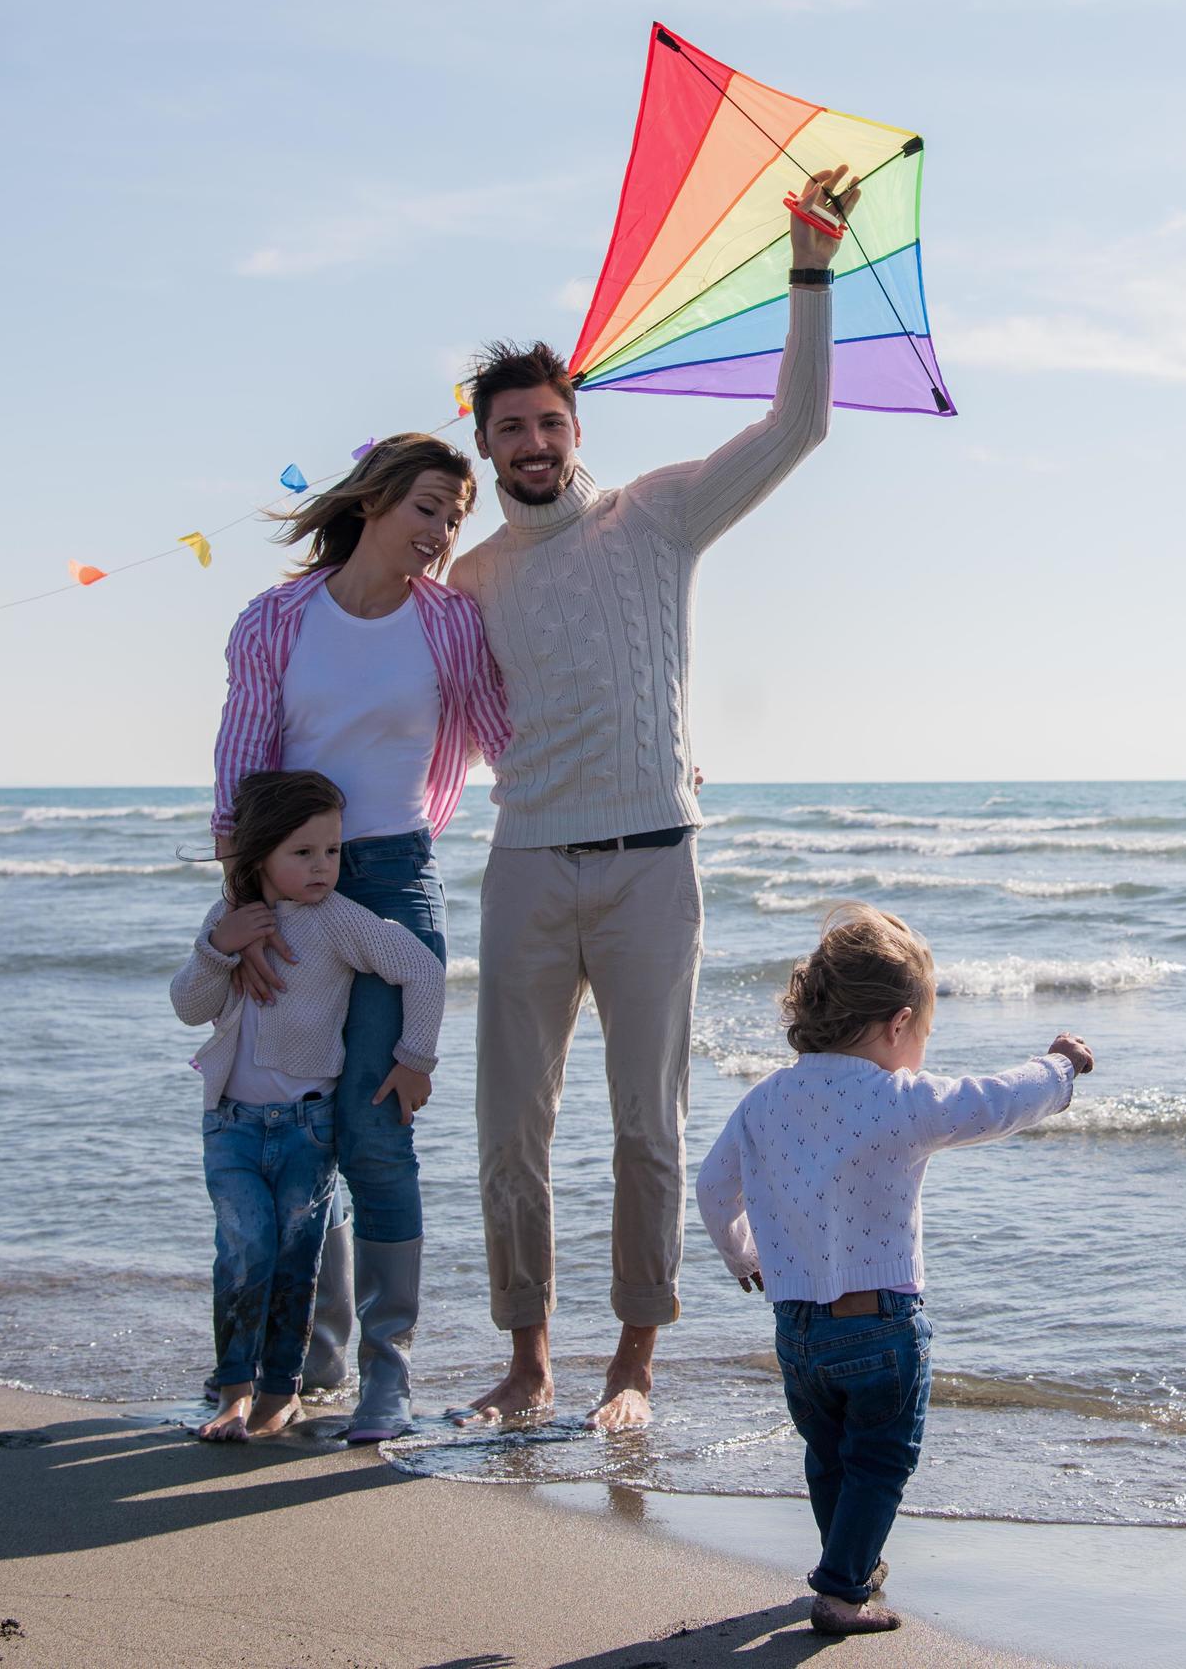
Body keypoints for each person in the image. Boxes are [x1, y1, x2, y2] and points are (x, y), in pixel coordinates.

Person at [448, 164, 863, 1430]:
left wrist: (809, 267)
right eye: (508, 429)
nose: (531, 444)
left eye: (548, 423)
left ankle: (634, 1360)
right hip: (526, 864)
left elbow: (798, 428)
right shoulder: (464, 581)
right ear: (485, 446)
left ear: (579, 429)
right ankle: (528, 1360)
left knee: (647, 1127)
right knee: (511, 1135)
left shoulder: (661, 517)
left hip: (651, 866)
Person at [207, 435, 510, 1441]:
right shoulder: (277, 621)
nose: (439, 533)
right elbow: (240, 772)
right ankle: (309, 1357)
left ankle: (388, 1368)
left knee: (379, 1129)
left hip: (398, 883)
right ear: (374, 502)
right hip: (290, 885)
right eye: (427, 507)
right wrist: (241, 905)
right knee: (301, 1123)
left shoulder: (450, 624)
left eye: (454, 518)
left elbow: (504, 730)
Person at [695, 905, 1094, 1635]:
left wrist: (742, 1253)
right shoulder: (897, 1099)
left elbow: (713, 1188)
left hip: (797, 1332)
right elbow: (995, 1102)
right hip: (879, 1327)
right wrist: (1059, 1065)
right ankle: (842, 1591)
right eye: (924, 1036)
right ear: (896, 1024)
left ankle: (846, 1565)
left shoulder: (763, 1100)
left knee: (828, 1456)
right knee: (881, 1459)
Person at [171, 771, 447, 1444]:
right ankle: (231, 1391)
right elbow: (188, 1007)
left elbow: (424, 969)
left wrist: (415, 1057)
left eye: (332, 851)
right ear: (259, 853)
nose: (324, 867)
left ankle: (279, 1394)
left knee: (295, 1258)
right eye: (303, 853)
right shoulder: (227, 923)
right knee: (243, 1251)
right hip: (230, 1125)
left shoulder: (339, 921)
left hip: (306, 1127)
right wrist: (219, 949)